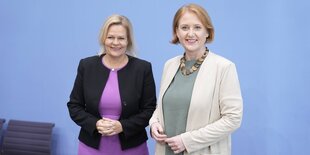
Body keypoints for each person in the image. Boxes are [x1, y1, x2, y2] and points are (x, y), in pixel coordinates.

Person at [149, 3, 243, 155]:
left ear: (207, 32)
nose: (190, 34)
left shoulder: (224, 67)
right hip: (165, 151)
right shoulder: (170, 65)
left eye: (197, 27)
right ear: (176, 32)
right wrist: (153, 123)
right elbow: (161, 107)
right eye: (184, 27)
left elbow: (232, 119)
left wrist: (188, 141)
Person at [67, 14, 156, 155]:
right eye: (110, 37)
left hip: (132, 148)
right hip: (91, 148)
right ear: (103, 39)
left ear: (128, 41)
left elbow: (149, 109)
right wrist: (95, 124)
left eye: (121, 38)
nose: (115, 43)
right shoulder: (87, 65)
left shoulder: (142, 68)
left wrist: (123, 126)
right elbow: (74, 106)